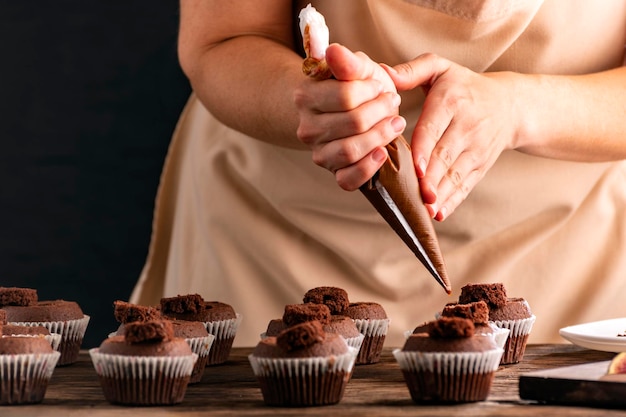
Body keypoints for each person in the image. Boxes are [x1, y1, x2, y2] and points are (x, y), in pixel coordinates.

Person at [130, 0, 626, 347]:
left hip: (568, 256)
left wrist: (520, 108)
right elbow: (224, 38)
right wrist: (311, 104)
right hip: (275, 238)